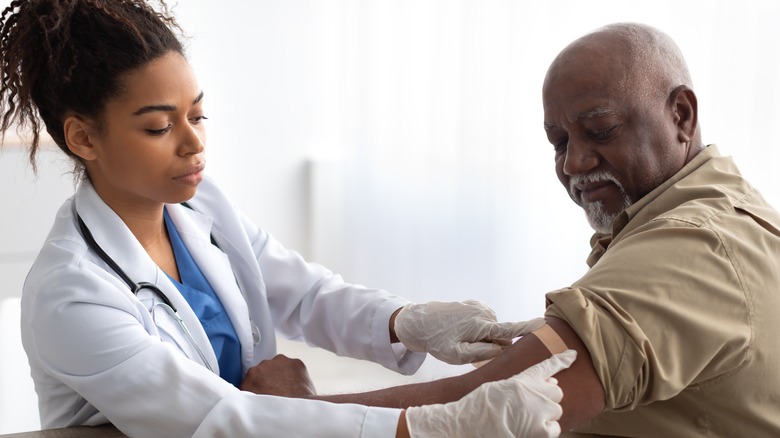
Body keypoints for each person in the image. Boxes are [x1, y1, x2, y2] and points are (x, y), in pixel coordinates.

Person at [1, 0, 577, 436]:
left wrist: (407, 322)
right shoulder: (70, 294)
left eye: (198, 115)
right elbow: (219, 420)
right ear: (82, 138)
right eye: (159, 127)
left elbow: (302, 294)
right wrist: (427, 425)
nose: (192, 144)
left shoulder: (201, 207)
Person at [296, 22, 780, 437]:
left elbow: (477, 409)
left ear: (682, 115)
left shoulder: (693, 245)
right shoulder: (717, 211)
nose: (575, 162)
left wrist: (295, 412)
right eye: (559, 141)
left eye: (601, 130)